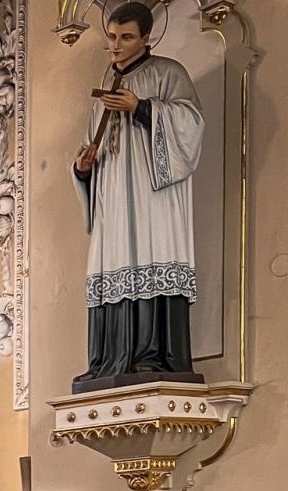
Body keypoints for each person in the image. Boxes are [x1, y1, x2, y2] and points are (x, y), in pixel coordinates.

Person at [72, 0, 204, 388]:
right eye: (111, 37)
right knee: (111, 259)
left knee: (150, 251)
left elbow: (192, 125)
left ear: (146, 38)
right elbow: (91, 146)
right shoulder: (106, 85)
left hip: (153, 197)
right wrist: (83, 168)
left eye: (126, 37)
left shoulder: (167, 73)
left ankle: (153, 355)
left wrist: (143, 108)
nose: (115, 45)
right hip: (112, 199)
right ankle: (109, 360)